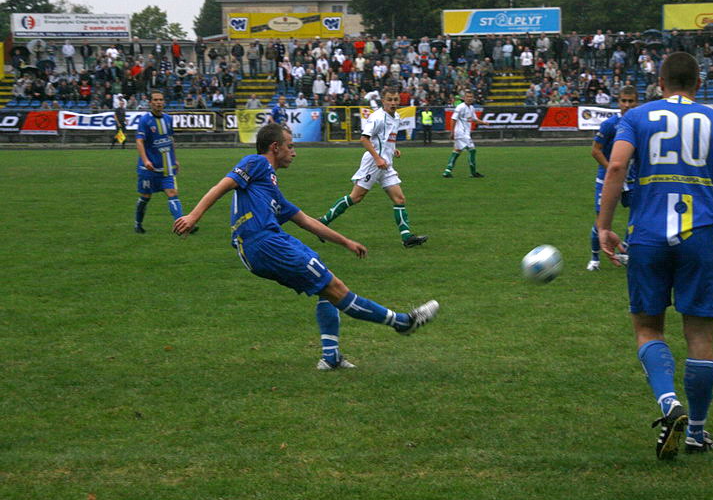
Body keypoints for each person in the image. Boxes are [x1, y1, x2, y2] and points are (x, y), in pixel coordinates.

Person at [596, 51, 713, 460]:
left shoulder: (636, 117)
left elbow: (615, 168)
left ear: (660, 84)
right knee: (700, 334)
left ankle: (668, 402)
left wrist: (603, 226)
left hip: (647, 233)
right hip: (698, 234)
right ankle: (697, 432)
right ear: (699, 84)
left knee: (648, 327)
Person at [172, 123, 439, 370]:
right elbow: (224, 184)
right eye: (290, 146)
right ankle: (402, 322)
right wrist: (194, 215)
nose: (294, 152)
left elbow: (305, 221)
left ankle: (331, 357)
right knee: (335, 288)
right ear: (275, 147)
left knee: (325, 285)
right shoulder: (256, 163)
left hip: (266, 244)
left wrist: (345, 241)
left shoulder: (271, 190)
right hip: (265, 243)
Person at [318, 87, 428, 248]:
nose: (393, 103)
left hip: (386, 163)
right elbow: (364, 139)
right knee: (356, 197)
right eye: (389, 99)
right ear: (383, 101)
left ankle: (407, 238)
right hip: (374, 163)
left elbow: (386, 138)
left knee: (399, 199)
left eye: (395, 99)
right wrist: (377, 158)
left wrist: (393, 149)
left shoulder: (396, 116)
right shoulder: (377, 117)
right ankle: (322, 223)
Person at [587, 86, 637, 271]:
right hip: (608, 178)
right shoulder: (610, 125)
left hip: (632, 180)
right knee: (601, 220)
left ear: (636, 102)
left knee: (637, 215)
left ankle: (626, 252)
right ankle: (595, 258)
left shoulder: (641, 125)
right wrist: (613, 171)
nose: (627, 105)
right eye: (624, 101)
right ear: (619, 102)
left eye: (631, 101)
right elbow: (595, 151)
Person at [134, 90, 194, 234]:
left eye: (161, 100)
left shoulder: (168, 119)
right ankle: (138, 223)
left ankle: (182, 226)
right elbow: (139, 141)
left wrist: (175, 159)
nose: (158, 102)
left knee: (172, 193)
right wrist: (145, 160)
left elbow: (170, 140)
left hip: (166, 167)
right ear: (150, 102)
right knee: (145, 197)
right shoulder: (145, 120)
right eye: (155, 100)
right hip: (148, 169)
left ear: (164, 102)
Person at [443, 90, 487, 178]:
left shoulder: (471, 108)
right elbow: (453, 119)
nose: (469, 98)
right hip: (461, 133)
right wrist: (452, 132)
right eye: (468, 97)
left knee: (457, 151)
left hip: (464, 133)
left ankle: (447, 171)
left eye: (471, 97)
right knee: (472, 150)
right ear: (464, 98)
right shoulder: (460, 107)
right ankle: (473, 172)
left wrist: (484, 122)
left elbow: (474, 119)